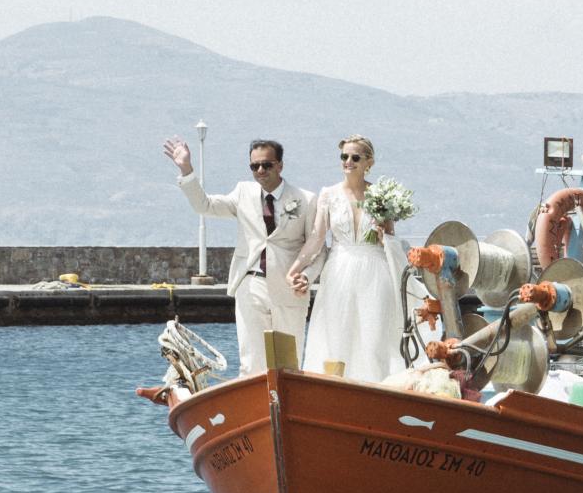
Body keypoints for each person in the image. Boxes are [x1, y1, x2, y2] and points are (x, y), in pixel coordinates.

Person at [163, 135, 321, 377]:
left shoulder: (306, 199)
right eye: (254, 166)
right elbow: (204, 206)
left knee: (289, 362)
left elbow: (318, 249)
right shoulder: (242, 192)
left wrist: (307, 277)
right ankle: (256, 409)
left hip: (290, 288)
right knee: (252, 363)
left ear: (280, 165)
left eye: (266, 165)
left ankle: (286, 410)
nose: (260, 170)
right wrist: (186, 169)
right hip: (251, 284)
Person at [287, 134, 406, 384]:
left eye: (355, 157)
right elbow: (317, 239)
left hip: (375, 272)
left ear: (368, 162)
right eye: (344, 156)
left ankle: (377, 393)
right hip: (339, 270)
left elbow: (391, 238)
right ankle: (333, 394)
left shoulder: (382, 195)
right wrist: (296, 269)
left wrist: (384, 236)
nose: (348, 162)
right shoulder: (328, 194)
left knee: (374, 340)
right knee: (337, 338)